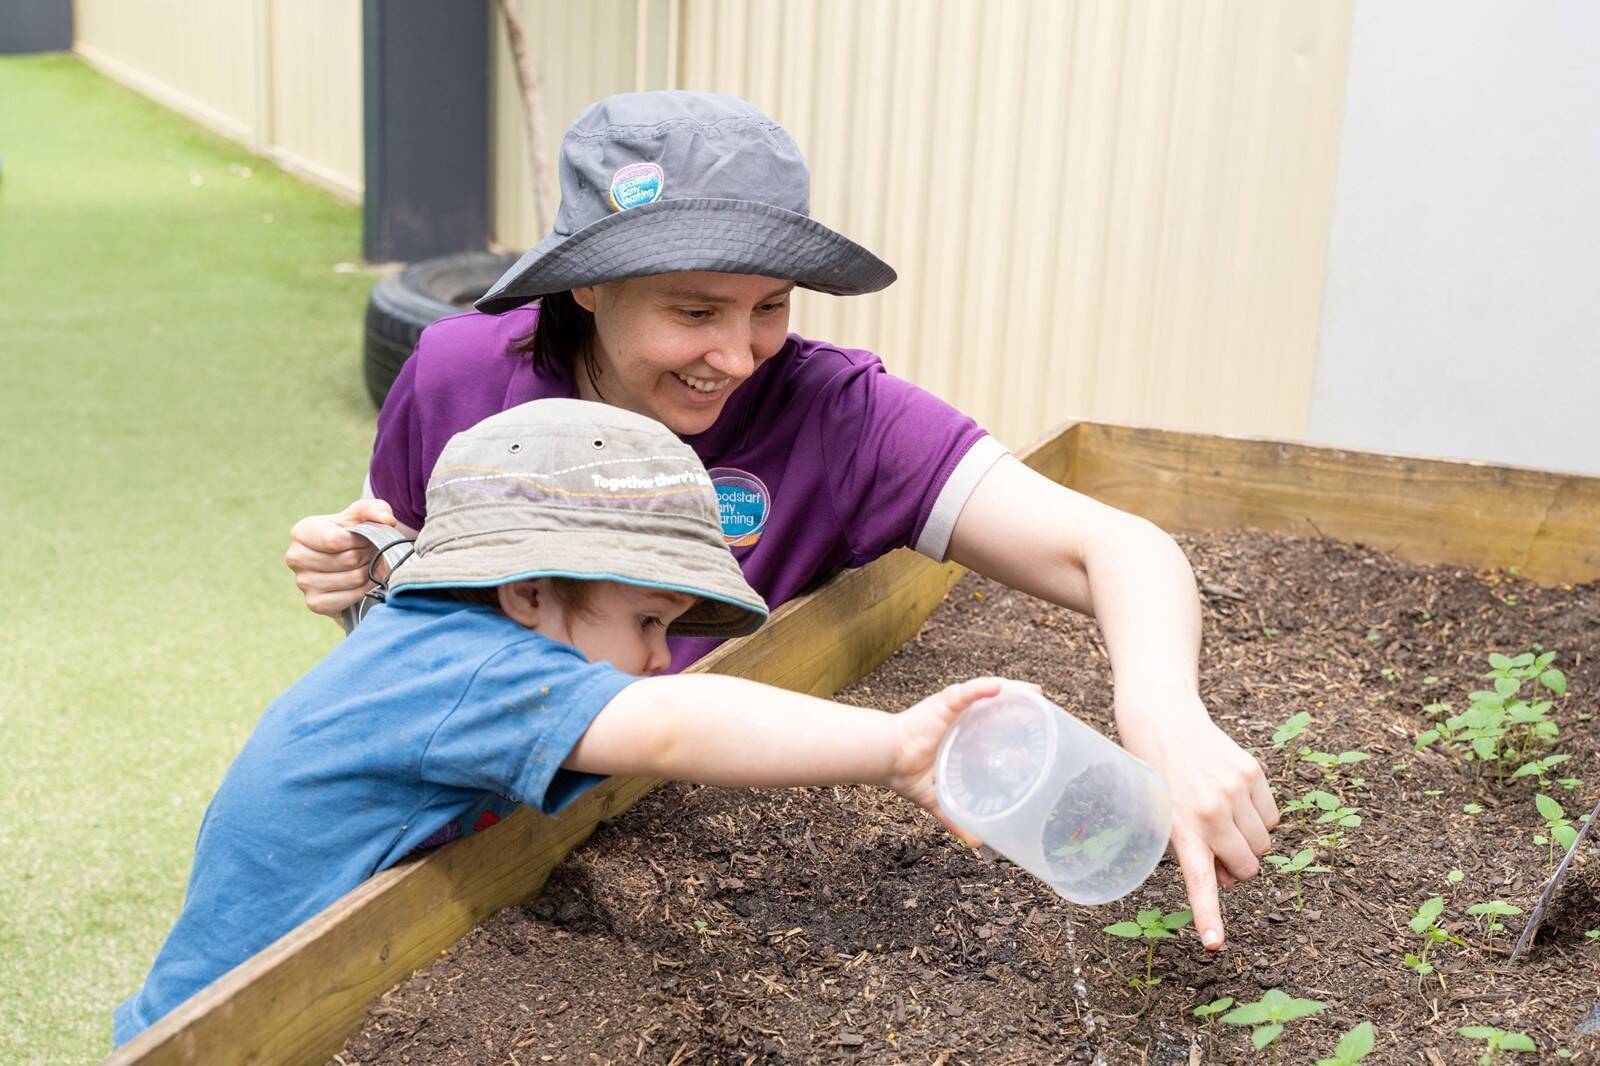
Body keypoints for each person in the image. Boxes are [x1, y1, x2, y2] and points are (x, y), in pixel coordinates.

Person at [284, 91, 1278, 949]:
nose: (737, 352)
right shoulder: (459, 376)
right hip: (434, 846)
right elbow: (413, 629)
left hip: (650, 805)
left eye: (769, 305)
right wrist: (360, 578)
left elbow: (1117, 544)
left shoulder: (835, 416)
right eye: (694, 309)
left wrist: (1164, 713)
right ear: (586, 283)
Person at [115, 399, 1010, 1046]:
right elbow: (666, 729)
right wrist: (892, 747)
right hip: (234, 1033)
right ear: (529, 592)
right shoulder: (479, 673)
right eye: (649, 622)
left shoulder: (437, 635)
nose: (661, 657)